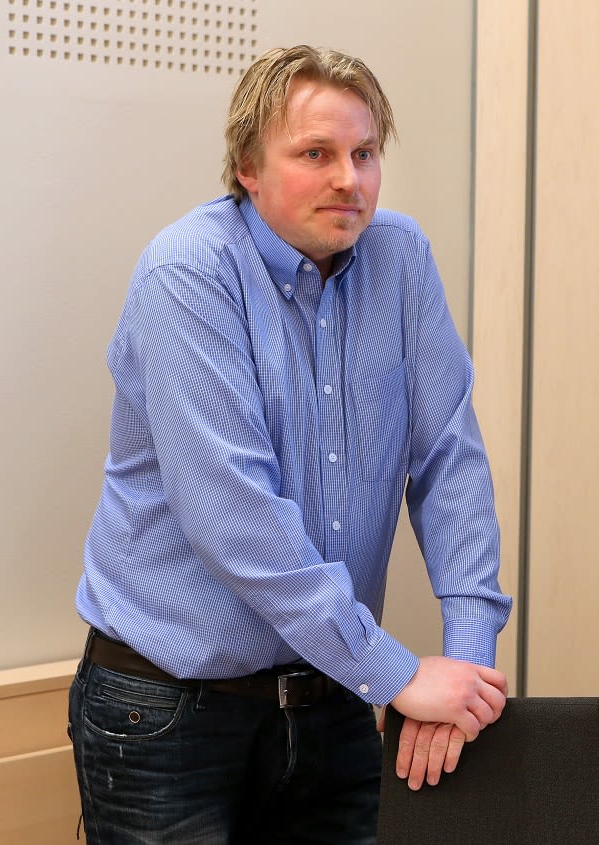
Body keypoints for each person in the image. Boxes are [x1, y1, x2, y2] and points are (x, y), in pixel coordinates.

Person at [68, 44, 512, 844]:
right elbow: (235, 519)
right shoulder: (188, 271)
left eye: (364, 153)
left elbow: (450, 461)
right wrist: (399, 673)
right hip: (166, 712)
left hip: (331, 694)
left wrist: (467, 673)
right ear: (247, 167)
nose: (350, 179)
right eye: (316, 154)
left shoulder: (401, 257)